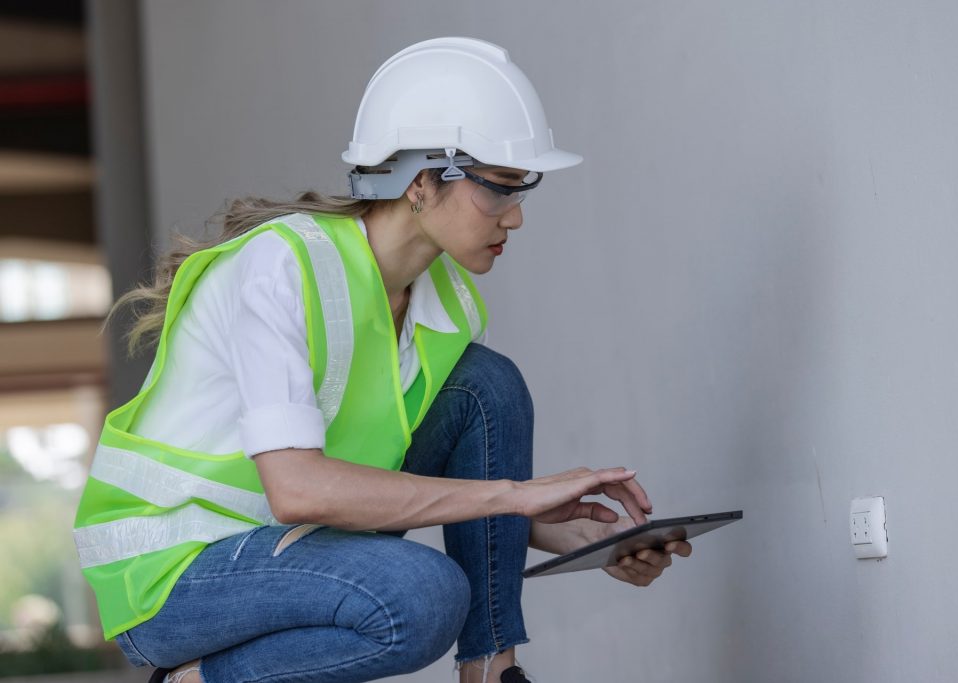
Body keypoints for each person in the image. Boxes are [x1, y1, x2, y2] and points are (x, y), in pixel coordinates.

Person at [73, 37, 691, 683]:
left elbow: (417, 486)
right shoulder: (280, 265)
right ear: (421, 182)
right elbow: (298, 488)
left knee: (488, 385)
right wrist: (516, 494)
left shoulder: (450, 304)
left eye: (521, 191)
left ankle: (493, 670)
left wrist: (580, 540)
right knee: (423, 596)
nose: (515, 218)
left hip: (289, 548)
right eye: (499, 190)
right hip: (175, 574)